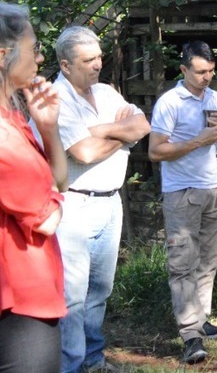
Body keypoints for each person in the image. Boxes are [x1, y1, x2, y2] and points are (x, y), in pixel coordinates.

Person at [53, 26, 150, 373]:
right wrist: (121, 137)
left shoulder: (107, 93)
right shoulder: (56, 99)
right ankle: (71, 365)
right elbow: (83, 152)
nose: (97, 65)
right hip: (74, 206)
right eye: (87, 59)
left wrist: (103, 131)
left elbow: (142, 126)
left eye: (99, 57)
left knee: (100, 290)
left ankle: (93, 359)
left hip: (111, 203)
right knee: (73, 297)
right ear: (65, 65)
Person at [148, 41, 217, 365]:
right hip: (181, 193)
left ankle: (201, 319)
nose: (207, 77)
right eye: (201, 72)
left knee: (208, 260)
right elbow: (155, 151)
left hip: (212, 189)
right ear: (184, 70)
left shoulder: (216, 99)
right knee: (182, 265)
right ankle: (190, 335)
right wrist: (197, 141)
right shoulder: (170, 103)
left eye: (211, 71)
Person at [0, 3, 68, 373]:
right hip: (21, 304)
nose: (40, 58)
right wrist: (53, 198)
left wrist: (48, 127)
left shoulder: (14, 119)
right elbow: (48, 219)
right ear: (3, 55)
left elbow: (58, 180)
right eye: (34, 48)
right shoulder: (3, 138)